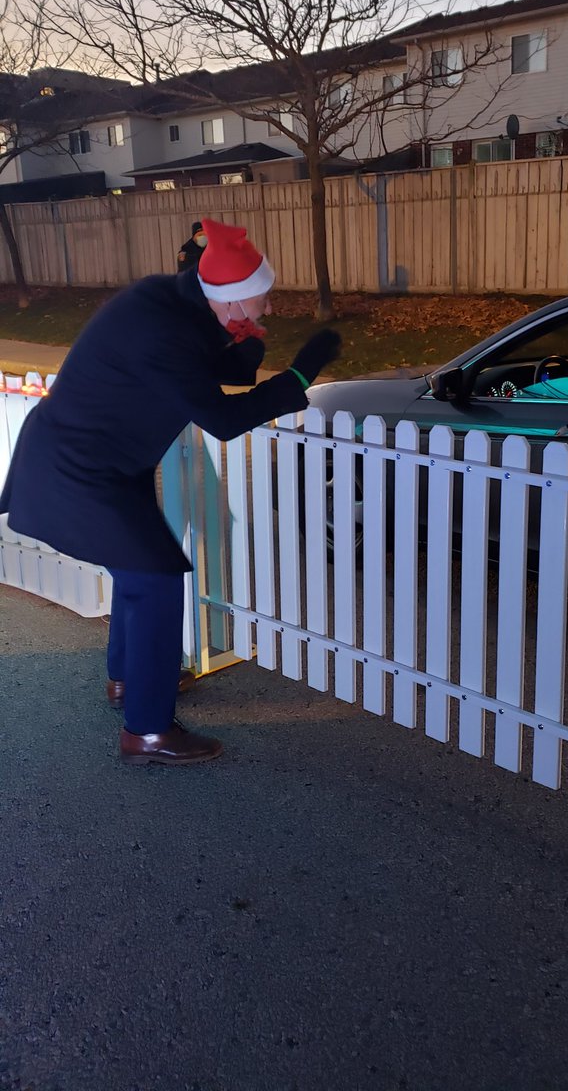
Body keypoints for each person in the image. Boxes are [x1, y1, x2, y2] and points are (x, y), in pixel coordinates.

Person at [0, 218, 341, 766]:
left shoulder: (174, 301)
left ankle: (129, 683)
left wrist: (246, 341)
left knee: (138, 576)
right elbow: (222, 417)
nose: (269, 309)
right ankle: (148, 731)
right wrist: (299, 377)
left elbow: (214, 367)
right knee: (155, 578)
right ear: (229, 302)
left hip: (104, 465)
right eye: (261, 301)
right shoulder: (163, 330)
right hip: (78, 471)